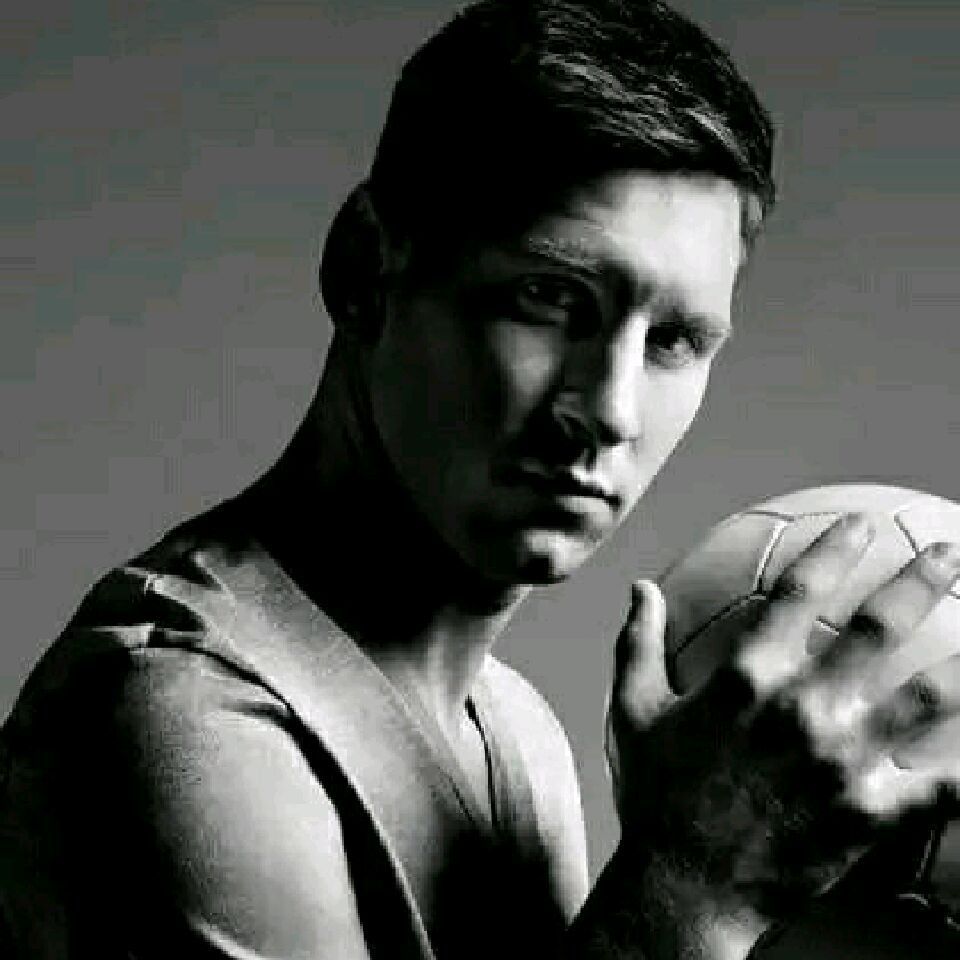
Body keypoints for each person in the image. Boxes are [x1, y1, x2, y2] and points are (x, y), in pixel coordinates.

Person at [1, 1, 958, 957]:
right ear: (366, 268)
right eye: (550, 297)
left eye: (672, 339)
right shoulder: (177, 718)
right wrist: (695, 884)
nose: (611, 409)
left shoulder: (517, 733)